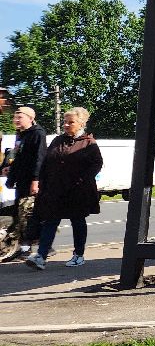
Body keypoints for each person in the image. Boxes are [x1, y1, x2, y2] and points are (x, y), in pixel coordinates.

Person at [25, 106, 103, 270]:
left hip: (77, 191)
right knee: (50, 221)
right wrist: (40, 182)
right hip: (55, 190)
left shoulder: (89, 143)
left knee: (77, 221)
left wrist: (81, 180)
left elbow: (97, 164)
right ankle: (41, 256)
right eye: (65, 122)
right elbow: (46, 162)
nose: (66, 125)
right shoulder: (57, 140)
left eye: (70, 122)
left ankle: (78, 255)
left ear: (81, 123)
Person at [2, 105, 46, 262]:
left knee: (28, 214)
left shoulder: (38, 133)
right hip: (20, 181)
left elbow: (39, 158)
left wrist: (35, 180)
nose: (16, 120)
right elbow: (17, 157)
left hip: (31, 181)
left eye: (19, 117)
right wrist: (9, 173)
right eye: (15, 117)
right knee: (18, 215)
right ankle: (23, 248)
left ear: (30, 118)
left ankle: (38, 248)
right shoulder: (21, 134)